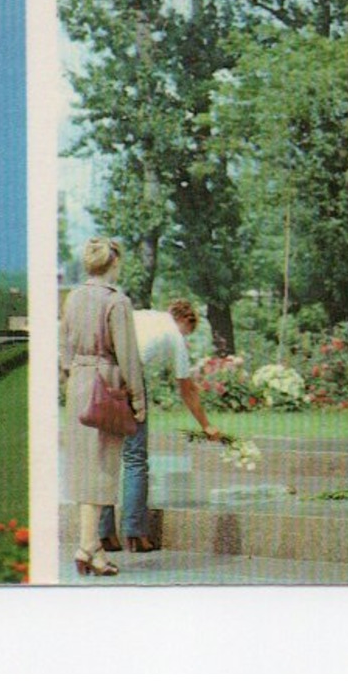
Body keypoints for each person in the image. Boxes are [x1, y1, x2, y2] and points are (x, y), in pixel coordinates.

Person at [97, 298, 221, 553]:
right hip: (129, 377)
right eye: (189, 331)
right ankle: (135, 533)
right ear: (186, 321)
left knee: (107, 456)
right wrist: (206, 425)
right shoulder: (174, 335)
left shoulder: (144, 315)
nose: (186, 337)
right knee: (134, 458)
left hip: (103, 373)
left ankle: (104, 534)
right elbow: (186, 389)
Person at [60, 237, 146, 577]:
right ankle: (86, 546)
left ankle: (90, 547)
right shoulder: (117, 302)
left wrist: (73, 376)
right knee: (103, 468)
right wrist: (138, 399)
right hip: (105, 383)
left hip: (78, 384)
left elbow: (64, 347)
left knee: (86, 469)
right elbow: (128, 355)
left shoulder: (73, 298)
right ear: (115, 263)